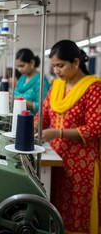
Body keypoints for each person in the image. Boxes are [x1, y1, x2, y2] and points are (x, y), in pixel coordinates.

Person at [34, 40, 101, 233]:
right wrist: (32, 126)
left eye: (60, 65)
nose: (56, 70)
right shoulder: (57, 87)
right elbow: (43, 114)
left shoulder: (93, 88)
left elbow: (95, 128)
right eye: (53, 66)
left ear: (76, 62)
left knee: (77, 211)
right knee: (56, 207)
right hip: (55, 159)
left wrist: (58, 132)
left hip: (82, 163)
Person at [14, 48, 50, 115]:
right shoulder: (22, 78)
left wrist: (21, 101)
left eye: (22, 66)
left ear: (32, 63)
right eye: (18, 66)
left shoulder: (41, 81)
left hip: (33, 122)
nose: (19, 69)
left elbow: (44, 106)